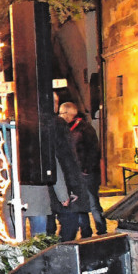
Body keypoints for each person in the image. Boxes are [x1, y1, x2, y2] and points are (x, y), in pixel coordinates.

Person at [58, 101, 106, 237]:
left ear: (68, 113)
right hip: (75, 173)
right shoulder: (66, 129)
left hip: (86, 173)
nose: (60, 116)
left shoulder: (84, 129)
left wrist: (86, 169)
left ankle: (101, 229)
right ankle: (86, 230)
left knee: (92, 202)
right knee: (78, 203)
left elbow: (93, 151)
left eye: (61, 113)